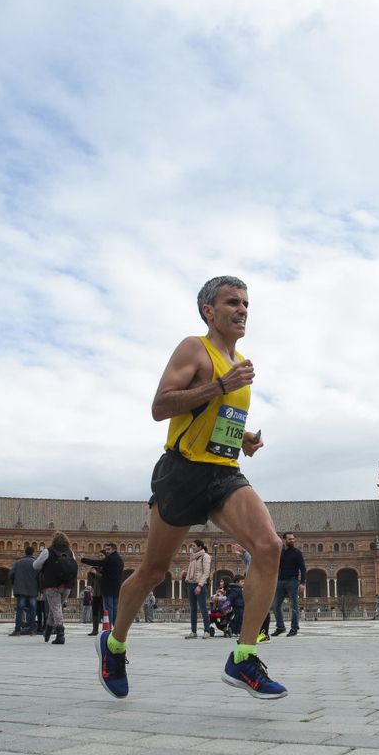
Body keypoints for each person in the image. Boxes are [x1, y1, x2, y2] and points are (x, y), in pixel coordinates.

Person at [97, 275, 286, 700]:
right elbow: (160, 406)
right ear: (209, 311)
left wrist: (244, 440)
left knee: (270, 547)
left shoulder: (240, 364)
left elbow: (217, 422)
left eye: (246, 304)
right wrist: (221, 385)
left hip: (223, 472)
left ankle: (243, 657)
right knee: (152, 571)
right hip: (182, 472)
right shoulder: (193, 349)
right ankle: (114, 644)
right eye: (232, 302)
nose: (242, 310)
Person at [35, 531, 77, 645]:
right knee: (56, 608)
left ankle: (60, 634)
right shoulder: (71, 552)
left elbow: (36, 565)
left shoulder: (47, 551)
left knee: (56, 608)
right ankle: (48, 630)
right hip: (67, 585)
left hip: (52, 585)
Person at [264, 531, 305, 637]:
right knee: (275, 605)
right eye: (290, 539)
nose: (292, 540)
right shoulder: (281, 553)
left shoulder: (297, 553)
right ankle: (280, 627)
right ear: (284, 540)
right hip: (280, 581)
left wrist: (303, 583)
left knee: (294, 606)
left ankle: (294, 628)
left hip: (292, 581)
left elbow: (303, 569)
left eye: (293, 539)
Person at [82, 544, 125, 633]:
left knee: (108, 609)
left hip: (108, 588)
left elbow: (98, 563)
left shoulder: (110, 559)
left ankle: (109, 628)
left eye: (108, 549)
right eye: (106, 550)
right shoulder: (120, 559)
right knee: (114, 608)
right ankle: (116, 627)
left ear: (114, 549)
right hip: (116, 588)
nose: (106, 551)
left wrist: (83, 559)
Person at [182, 539, 213, 639]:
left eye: (194, 546)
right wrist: (187, 574)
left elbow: (206, 572)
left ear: (200, 547)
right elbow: (195, 572)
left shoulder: (205, 556)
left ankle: (207, 631)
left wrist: (200, 585)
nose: (192, 547)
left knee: (203, 608)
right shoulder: (193, 558)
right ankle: (193, 631)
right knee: (193, 609)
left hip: (200, 586)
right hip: (191, 585)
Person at [11, 545, 40, 635]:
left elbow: (11, 574)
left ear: (25, 552)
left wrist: (15, 583)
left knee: (20, 609)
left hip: (20, 589)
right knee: (33, 609)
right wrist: (38, 587)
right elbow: (40, 576)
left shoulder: (18, 562)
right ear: (32, 553)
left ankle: (17, 630)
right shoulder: (36, 562)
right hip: (33, 590)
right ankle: (32, 630)